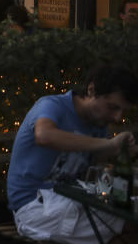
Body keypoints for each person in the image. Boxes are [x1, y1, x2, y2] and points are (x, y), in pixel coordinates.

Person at [8, 64, 138, 243]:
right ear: (92, 90)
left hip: (73, 200)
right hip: (34, 207)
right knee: (128, 228)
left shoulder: (99, 125)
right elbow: (44, 135)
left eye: (122, 111)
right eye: (112, 107)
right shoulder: (53, 105)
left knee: (129, 224)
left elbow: (98, 176)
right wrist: (107, 144)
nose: (117, 118)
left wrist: (120, 155)